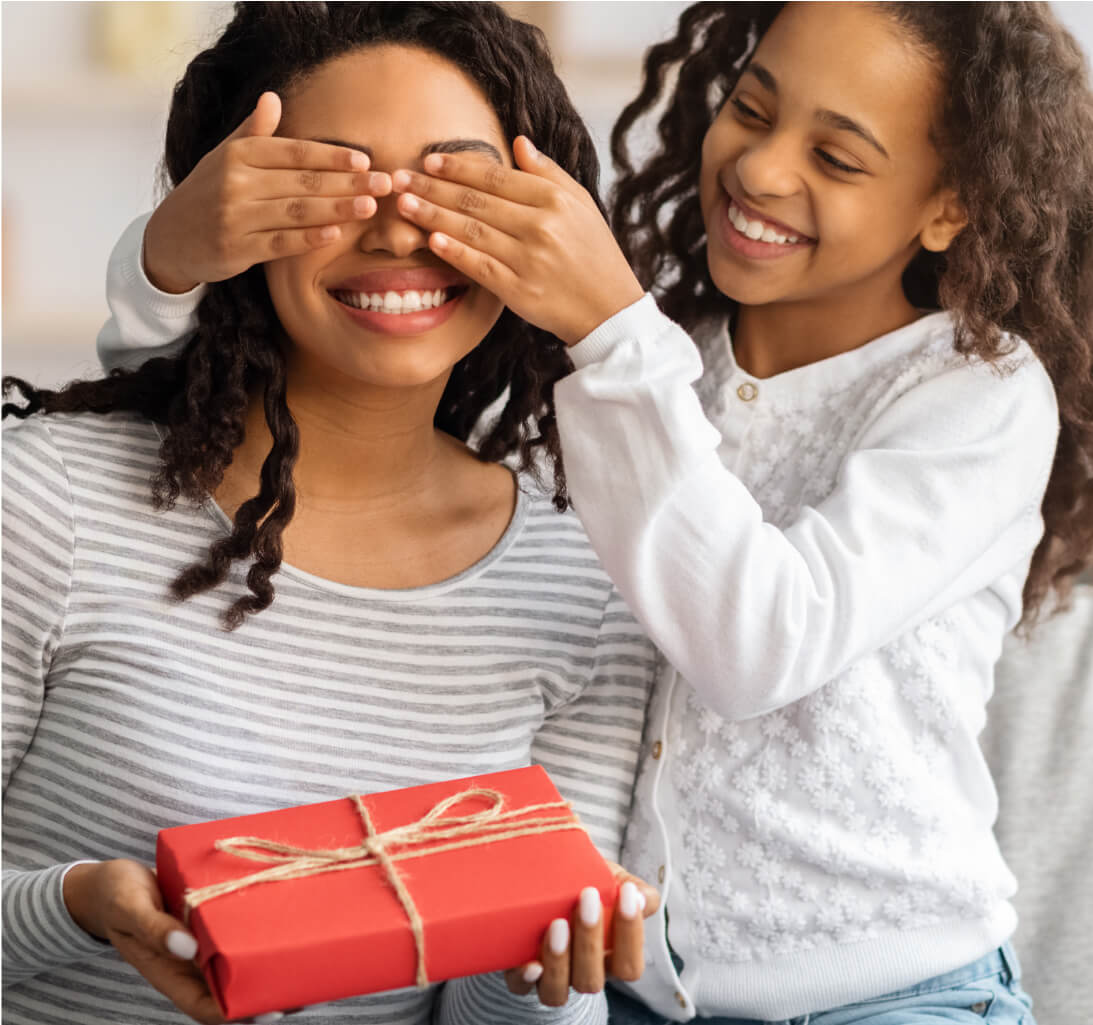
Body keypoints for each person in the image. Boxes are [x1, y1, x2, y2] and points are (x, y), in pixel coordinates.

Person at [98, 1, 1093, 1022]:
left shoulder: (974, 394)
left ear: (949, 208)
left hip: (893, 993)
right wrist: (168, 257)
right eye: (751, 109)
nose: (760, 168)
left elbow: (757, 646)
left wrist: (611, 331)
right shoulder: (650, 357)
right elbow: (203, 421)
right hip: (625, 991)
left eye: (836, 158)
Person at [1, 5, 661, 1025]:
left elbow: (501, 1003)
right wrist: (75, 907)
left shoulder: (587, 580)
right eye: (336, 181)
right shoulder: (45, 504)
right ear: (236, 211)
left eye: (458, 182)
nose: (399, 226)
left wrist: (538, 981)